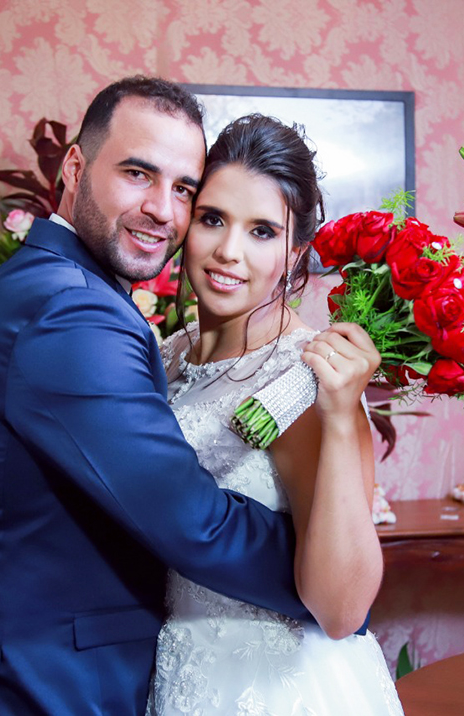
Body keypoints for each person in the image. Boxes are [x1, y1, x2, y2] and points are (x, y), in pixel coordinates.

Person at [0, 78, 342, 716]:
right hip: (43, 685)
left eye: (183, 190)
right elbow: (190, 520)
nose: (162, 210)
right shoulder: (74, 307)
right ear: (75, 167)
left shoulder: (61, 287)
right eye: (137, 173)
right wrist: (330, 577)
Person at [144, 115, 404, 714]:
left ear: (295, 253)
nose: (228, 252)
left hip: (277, 686)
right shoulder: (171, 352)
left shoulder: (309, 378)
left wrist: (340, 417)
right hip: (179, 671)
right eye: (213, 219)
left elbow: (342, 610)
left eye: (262, 231)